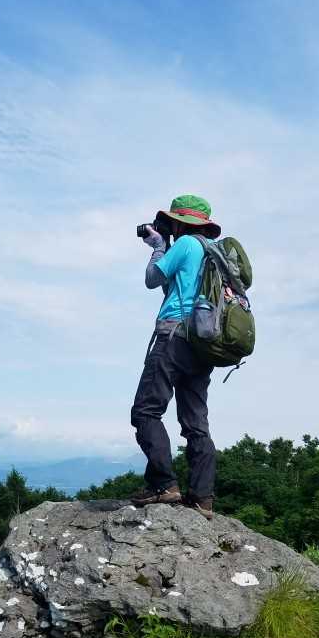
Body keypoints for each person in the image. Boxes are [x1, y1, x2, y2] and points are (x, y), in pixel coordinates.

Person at [130, 194, 221, 519]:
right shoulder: (213, 251)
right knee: (196, 423)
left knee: (145, 411)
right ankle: (202, 498)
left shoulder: (185, 244)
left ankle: (163, 485)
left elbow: (152, 279)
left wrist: (158, 246)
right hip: (202, 343)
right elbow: (174, 285)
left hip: (174, 336)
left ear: (180, 222)